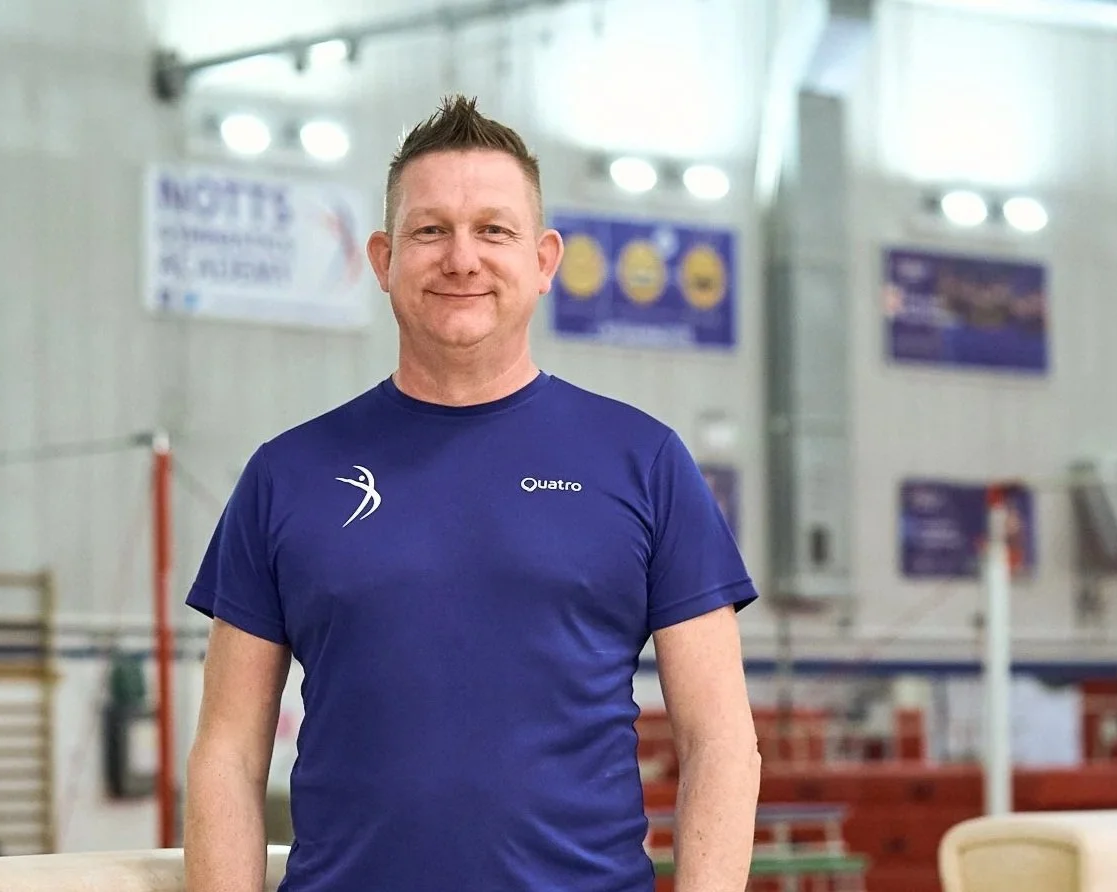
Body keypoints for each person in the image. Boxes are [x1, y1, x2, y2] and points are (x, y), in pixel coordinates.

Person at [183, 94, 762, 892]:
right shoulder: (287, 475)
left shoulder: (644, 462)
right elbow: (228, 752)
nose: (462, 259)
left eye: (493, 229)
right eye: (430, 231)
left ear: (544, 259)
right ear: (383, 259)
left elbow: (720, 742)